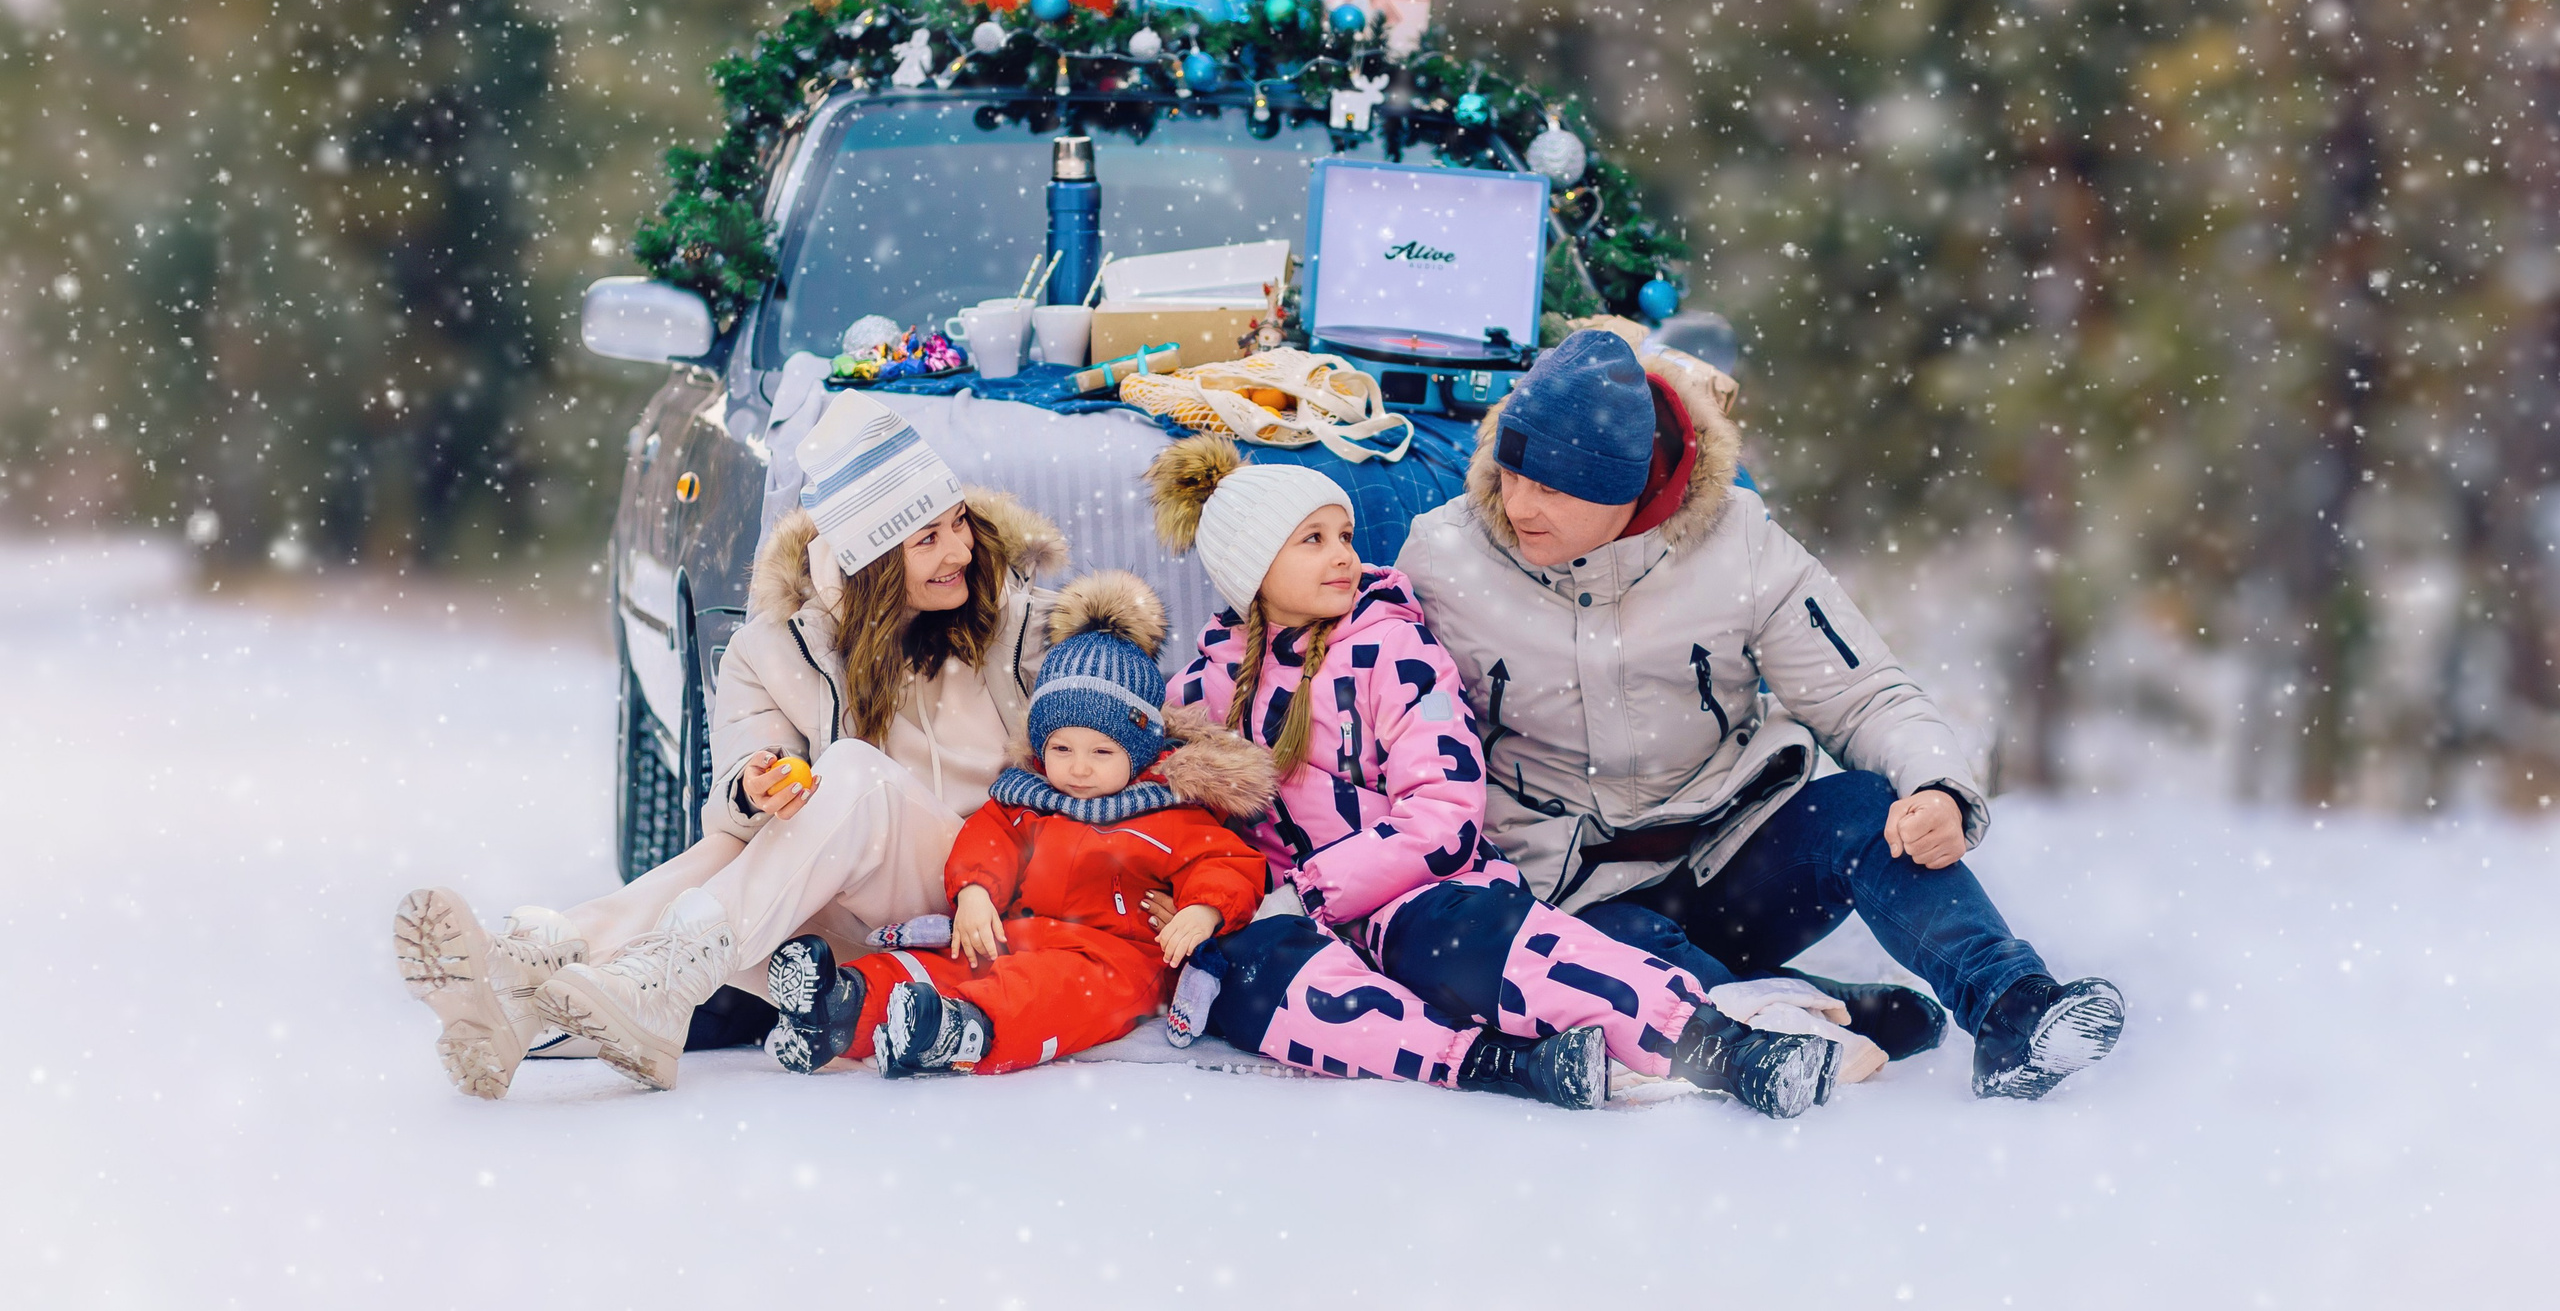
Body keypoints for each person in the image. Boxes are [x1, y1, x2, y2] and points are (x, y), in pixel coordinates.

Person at [1394, 319, 2126, 1100]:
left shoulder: (1738, 541)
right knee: (1617, 964)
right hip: (1575, 888)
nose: (1519, 504)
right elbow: (1389, 728)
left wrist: (1939, 788)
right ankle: (1806, 1016)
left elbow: (1862, 691)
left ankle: (2014, 1008)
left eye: (1553, 487)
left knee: (1870, 811)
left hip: (1737, 850)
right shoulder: (1443, 560)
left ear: (1629, 484)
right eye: (1511, 473)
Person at [391, 390, 1073, 1096]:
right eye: (927, 539)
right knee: (732, 845)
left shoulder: (1015, 625)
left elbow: (1108, 731)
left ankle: (557, 959)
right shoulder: (771, 651)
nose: (960, 549)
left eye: (957, 522)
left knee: (852, 774)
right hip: (838, 936)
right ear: (869, 561)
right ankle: (517, 1010)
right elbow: (730, 808)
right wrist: (755, 786)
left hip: (980, 900)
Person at [1143, 435, 1843, 1118]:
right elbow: (1145, 781)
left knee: (1499, 952)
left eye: (1345, 535)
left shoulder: (1393, 648)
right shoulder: (1207, 682)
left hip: (1419, 895)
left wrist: (1311, 892)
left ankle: (1726, 1047)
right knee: (1247, 984)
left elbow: (1444, 814)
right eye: (1313, 540)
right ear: (1250, 570)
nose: (1344, 556)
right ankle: (1503, 1063)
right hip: (1291, 920)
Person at [758, 572, 1274, 1076]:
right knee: (948, 960)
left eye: (1101, 752)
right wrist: (976, 894)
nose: (1078, 767)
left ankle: (964, 1029)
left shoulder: (1167, 811)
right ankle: (842, 1006)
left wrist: (1203, 910)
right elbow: (988, 838)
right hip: (1019, 933)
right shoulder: (1028, 800)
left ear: (1139, 753)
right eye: (1061, 748)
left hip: (1114, 958)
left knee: (1050, 990)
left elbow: (1225, 861)